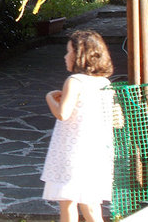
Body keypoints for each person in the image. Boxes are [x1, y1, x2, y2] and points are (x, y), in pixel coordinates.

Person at [40, 30, 114, 222]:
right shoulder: (104, 83)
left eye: (69, 52)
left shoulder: (74, 81)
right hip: (96, 151)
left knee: (68, 202)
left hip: (73, 152)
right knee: (91, 205)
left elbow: (63, 113)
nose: (65, 57)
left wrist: (50, 98)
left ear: (80, 55)